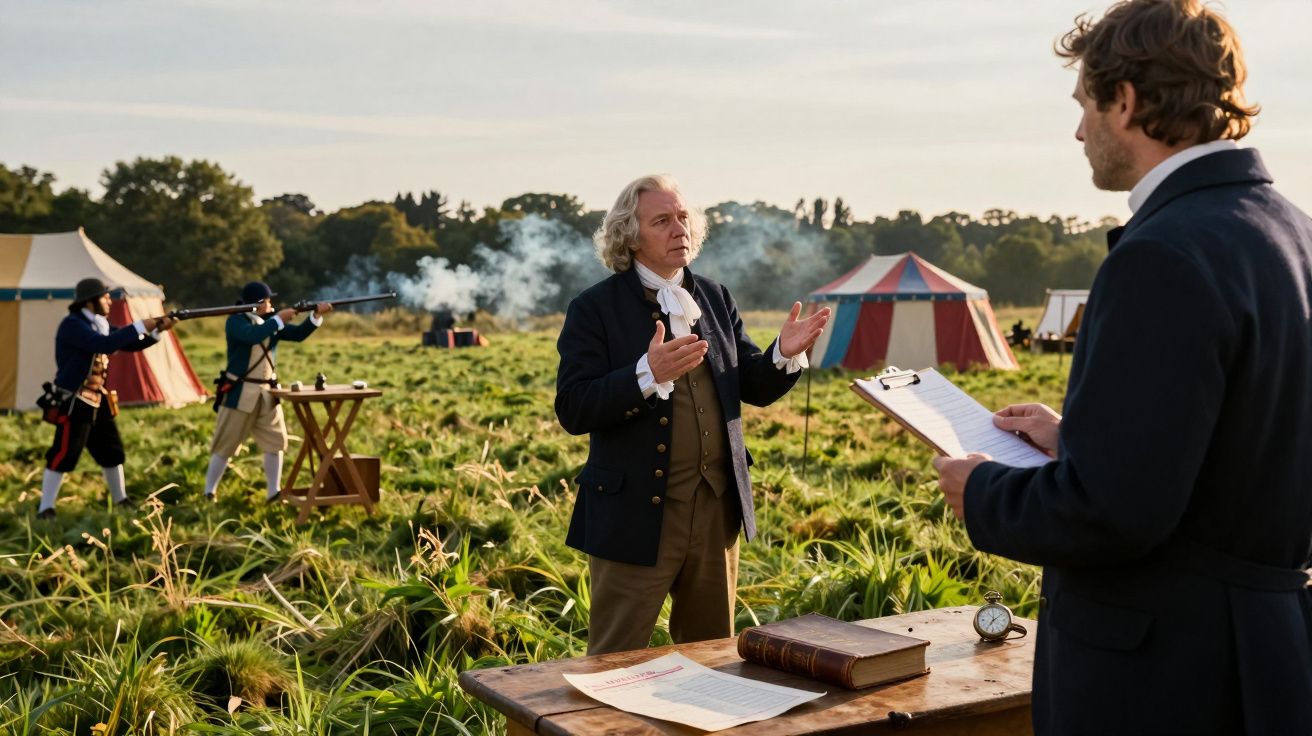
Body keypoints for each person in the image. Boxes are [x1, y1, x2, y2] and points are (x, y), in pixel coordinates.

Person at [932, 1, 1312, 733]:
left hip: (1170, 672)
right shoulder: (1294, 234)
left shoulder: (1162, 254)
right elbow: (1245, 444)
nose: (1079, 132)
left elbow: (1111, 514)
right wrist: (1080, 438)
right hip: (1271, 650)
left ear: (1127, 102)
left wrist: (982, 491)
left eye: (1085, 105)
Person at [555, 174, 831, 655]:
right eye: (662, 220)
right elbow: (573, 407)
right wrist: (645, 374)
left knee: (712, 657)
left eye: (683, 217)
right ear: (630, 236)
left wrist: (781, 354)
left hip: (715, 514)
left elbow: (750, 385)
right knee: (614, 661)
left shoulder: (715, 297)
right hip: (633, 516)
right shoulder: (594, 308)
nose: (679, 228)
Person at [38, 278, 176, 518]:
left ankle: (121, 499)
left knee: (112, 451)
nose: (109, 301)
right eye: (104, 297)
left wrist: (156, 330)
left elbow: (128, 344)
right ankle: (45, 508)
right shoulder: (73, 324)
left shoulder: (98, 323)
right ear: (90, 301)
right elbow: (105, 344)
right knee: (64, 454)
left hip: (96, 397)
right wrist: (141, 325)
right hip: (74, 399)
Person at [202, 281, 331, 502]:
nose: (271, 304)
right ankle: (209, 492)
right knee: (225, 444)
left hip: (267, 393)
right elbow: (252, 335)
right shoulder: (236, 321)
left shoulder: (270, 322)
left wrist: (315, 316)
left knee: (275, 442)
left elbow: (298, 334)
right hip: (240, 392)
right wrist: (279, 319)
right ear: (258, 303)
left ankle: (273, 492)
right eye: (268, 300)